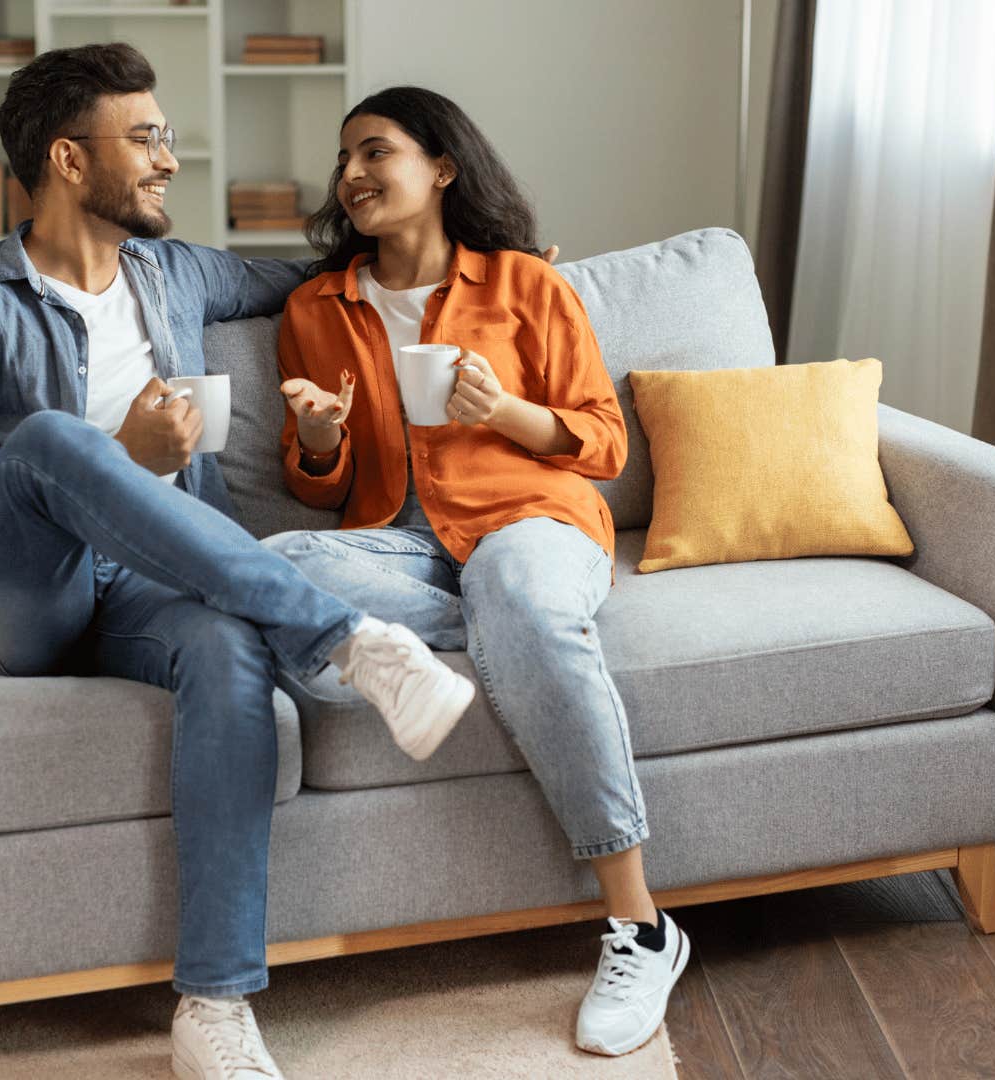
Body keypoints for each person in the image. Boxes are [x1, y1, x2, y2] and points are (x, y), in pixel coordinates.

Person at [0, 46, 479, 1080]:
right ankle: (345, 637)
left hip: (150, 590)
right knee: (54, 444)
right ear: (69, 160)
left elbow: (327, 274)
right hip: (15, 603)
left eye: (166, 135)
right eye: (146, 137)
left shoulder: (176, 273)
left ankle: (214, 1002)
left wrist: (485, 263)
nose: (170, 158)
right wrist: (117, 454)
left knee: (227, 649)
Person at [263, 86, 690, 1058]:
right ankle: (509, 629)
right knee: (268, 566)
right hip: (403, 544)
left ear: (442, 169)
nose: (353, 175)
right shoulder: (315, 309)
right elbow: (318, 490)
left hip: (531, 521)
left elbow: (602, 444)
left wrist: (502, 414)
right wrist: (319, 441)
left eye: (376, 152)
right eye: (344, 162)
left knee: (512, 585)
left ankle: (640, 926)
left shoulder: (527, 287)